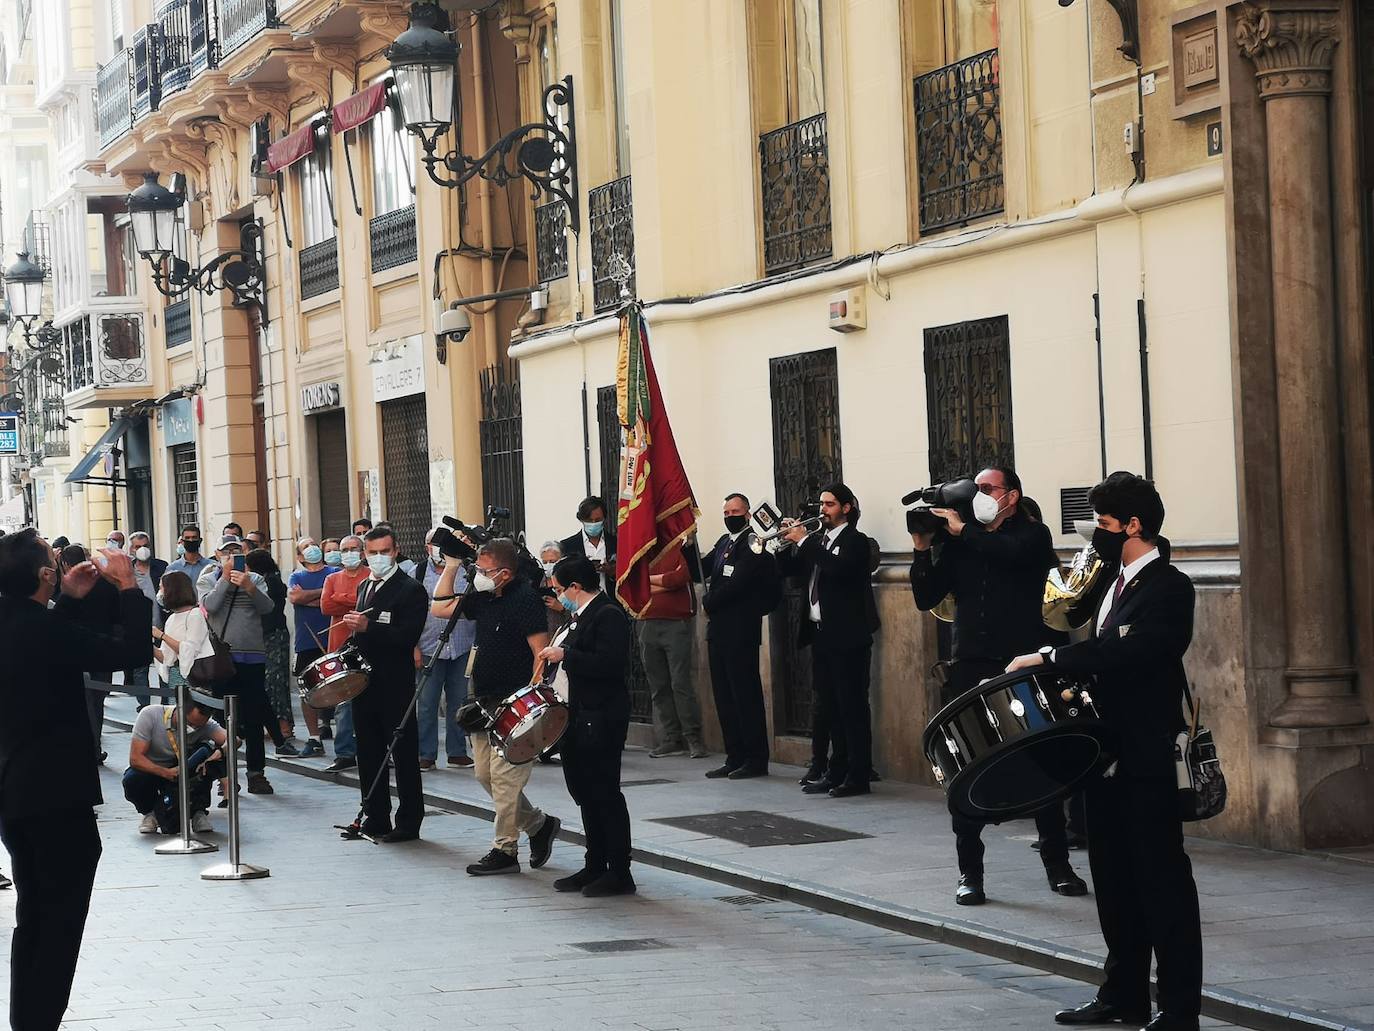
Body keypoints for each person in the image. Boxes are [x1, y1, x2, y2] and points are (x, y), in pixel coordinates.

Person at [1007, 472, 1203, 1031]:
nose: (1096, 534)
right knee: (1113, 881)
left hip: (1147, 758)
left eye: (1103, 524)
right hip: (1107, 757)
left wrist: (1048, 658)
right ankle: (1123, 995)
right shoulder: (1113, 583)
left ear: (1133, 525)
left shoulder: (1170, 585)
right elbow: (1089, 634)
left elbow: (1131, 650)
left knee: (1161, 882)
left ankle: (1180, 1008)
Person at [910, 466, 1087, 906]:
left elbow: (1006, 553)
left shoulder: (1033, 534)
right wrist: (922, 546)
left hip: (1024, 661)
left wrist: (964, 528)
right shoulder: (959, 541)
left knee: (1042, 758)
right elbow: (925, 596)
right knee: (964, 762)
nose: (979, 494)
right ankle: (970, 872)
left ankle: (1058, 864)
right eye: (977, 488)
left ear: (1011, 496)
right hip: (971, 662)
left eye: (987, 488)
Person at [0, 529, 151, 1031]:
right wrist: (129, 587)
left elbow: (42, 644)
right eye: (53, 559)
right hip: (53, 797)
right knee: (57, 927)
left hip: (15, 795)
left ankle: (29, 1021)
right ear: (46, 574)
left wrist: (65, 599)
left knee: (35, 922)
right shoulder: (42, 630)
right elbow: (131, 650)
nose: (59, 561)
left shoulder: (18, 621)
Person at [432, 537, 560, 875]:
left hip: (514, 703)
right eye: (478, 568)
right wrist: (453, 566)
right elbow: (440, 606)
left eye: (485, 570)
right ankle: (538, 825)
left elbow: (540, 654)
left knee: (505, 779)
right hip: (482, 700)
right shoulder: (483, 597)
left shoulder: (525, 599)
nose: (480, 575)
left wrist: (533, 701)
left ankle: (505, 850)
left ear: (504, 573)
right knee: (484, 775)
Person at [538, 556, 635, 896]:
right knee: (585, 793)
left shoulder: (607, 614)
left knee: (605, 792)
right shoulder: (577, 617)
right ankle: (595, 863)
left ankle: (619, 870)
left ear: (576, 587)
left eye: (561, 589)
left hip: (601, 716)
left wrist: (566, 656)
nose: (558, 596)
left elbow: (611, 664)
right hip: (575, 716)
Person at [778, 483, 881, 799]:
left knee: (852, 709)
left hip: (848, 637)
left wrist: (805, 541)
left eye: (830, 504)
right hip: (821, 636)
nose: (823, 509)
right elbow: (794, 573)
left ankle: (858, 775)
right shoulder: (819, 542)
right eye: (822, 503)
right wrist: (782, 547)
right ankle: (835, 772)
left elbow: (840, 571)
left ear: (847, 508)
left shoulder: (856, 541)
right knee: (830, 708)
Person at [340, 526, 429, 842]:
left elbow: (407, 636)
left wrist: (369, 625)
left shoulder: (410, 589)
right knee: (368, 750)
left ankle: (409, 822)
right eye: (372, 552)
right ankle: (375, 817)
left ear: (395, 551)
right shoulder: (364, 585)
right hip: (364, 682)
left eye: (384, 551)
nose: (378, 558)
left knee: (403, 752)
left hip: (396, 682)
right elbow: (362, 632)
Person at [702, 493, 779, 779]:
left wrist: (709, 602)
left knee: (744, 695)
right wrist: (684, 544)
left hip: (740, 629)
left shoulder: (752, 545)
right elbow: (705, 567)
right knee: (724, 696)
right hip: (718, 631)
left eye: (735, 511)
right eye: (726, 511)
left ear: (747, 514)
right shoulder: (725, 542)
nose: (730, 515)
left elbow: (739, 583)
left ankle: (755, 758)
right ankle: (734, 755)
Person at [197, 534, 280, 794]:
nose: (232, 555)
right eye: (227, 551)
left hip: (253, 657)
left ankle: (256, 773)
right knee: (222, 719)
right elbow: (210, 605)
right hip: (223, 659)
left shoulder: (255, 579)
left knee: (254, 717)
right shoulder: (207, 578)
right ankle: (225, 777)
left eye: (236, 550)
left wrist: (248, 585)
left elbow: (268, 608)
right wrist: (225, 578)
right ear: (218, 554)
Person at [636, 539, 707, 759]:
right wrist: (662, 584)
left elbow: (679, 578)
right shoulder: (641, 552)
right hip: (647, 622)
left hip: (676, 623)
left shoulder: (679, 549)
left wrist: (650, 582)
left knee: (680, 683)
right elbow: (635, 584)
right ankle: (671, 738)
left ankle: (694, 738)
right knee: (658, 685)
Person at [415, 527, 476, 770]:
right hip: (430, 646)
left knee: (459, 700)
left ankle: (457, 751)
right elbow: (411, 612)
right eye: (433, 543)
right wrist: (414, 647)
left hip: (462, 645)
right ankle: (426, 753)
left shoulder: (467, 571)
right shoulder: (416, 572)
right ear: (427, 547)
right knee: (427, 702)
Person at [122, 698, 226, 835]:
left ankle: (198, 812)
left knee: (207, 755)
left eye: (198, 726)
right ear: (179, 711)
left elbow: (233, 740)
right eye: (189, 723)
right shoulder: (151, 715)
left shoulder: (206, 725)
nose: (193, 728)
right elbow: (135, 758)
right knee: (132, 780)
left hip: (183, 768)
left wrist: (220, 751)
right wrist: (165, 772)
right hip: (154, 768)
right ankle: (150, 812)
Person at [57, 543, 121, 764]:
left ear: (65, 564)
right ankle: (95, 746)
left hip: (77, 651)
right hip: (102, 651)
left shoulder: (67, 587)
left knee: (82, 703)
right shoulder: (105, 583)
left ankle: (90, 747)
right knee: (97, 702)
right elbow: (117, 616)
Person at [244, 549, 304, 754]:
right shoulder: (273, 580)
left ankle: (283, 726)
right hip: (273, 634)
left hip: (271, 635)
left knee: (274, 682)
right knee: (273, 682)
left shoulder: (268, 583)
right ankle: (277, 726)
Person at [320, 534, 369, 771]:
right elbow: (326, 606)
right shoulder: (332, 578)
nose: (349, 553)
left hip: (368, 644)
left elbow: (371, 605)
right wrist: (353, 600)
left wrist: (343, 600)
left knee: (372, 700)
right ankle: (344, 753)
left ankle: (374, 748)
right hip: (340, 648)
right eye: (344, 549)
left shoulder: (371, 576)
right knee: (344, 702)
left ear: (362, 552)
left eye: (353, 548)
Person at [287, 537, 332, 754]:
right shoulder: (296, 576)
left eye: (313, 544)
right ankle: (314, 738)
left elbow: (335, 600)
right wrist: (323, 593)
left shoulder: (334, 572)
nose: (311, 548)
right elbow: (295, 598)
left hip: (333, 639)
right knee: (308, 690)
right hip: (307, 641)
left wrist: (309, 598)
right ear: (299, 556)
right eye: (305, 547)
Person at [126, 531, 167, 709]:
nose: (142, 550)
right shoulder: (127, 570)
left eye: (145, 546)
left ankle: (166, 703)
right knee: (140, 669)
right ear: (131, 549)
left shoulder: (162, 567)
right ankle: (146, 706)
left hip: (161, 626)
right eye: (137, 547)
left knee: (165, 665)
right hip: (137, 627)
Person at [559, 496, 617, 596]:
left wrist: (611, 572)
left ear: (604, 518)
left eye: (598, 520)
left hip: (611, 601)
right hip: (581, 602)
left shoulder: (616, 543)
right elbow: (563, 578)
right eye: (589, 520)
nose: (593, 524)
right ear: (581, 519)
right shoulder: (567, 546)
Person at [538, 541, 566, 636]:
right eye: (544, 562)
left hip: (562, 633)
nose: (548, 565)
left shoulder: (568, 582)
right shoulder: (536, 582)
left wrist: (562, 608)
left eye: (552, 561)